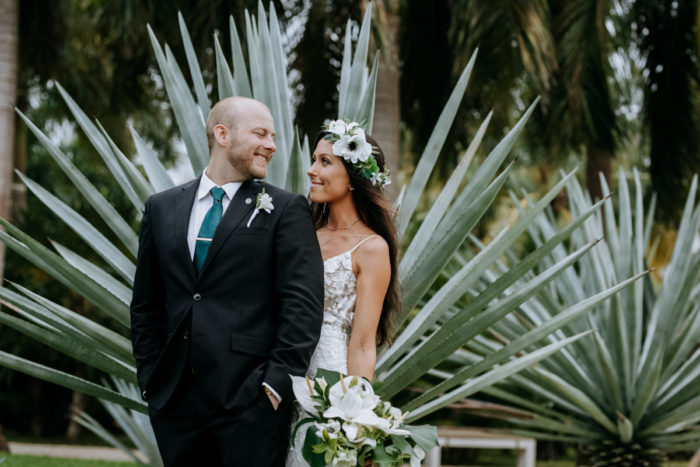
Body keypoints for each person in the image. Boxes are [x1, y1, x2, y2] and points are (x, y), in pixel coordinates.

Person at [130, 96, 324, 466]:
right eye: (260, 133)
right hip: (175, 405)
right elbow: (146, 303)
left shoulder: (285, 209)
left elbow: (302, 304)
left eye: (273, 135)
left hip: (250, 404)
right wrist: (151, 378)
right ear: (223, 134)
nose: (272, 145)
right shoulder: (161, 206)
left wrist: (275, 385)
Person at [286, 120, 400, 466]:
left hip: (329, 384)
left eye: (324, 161)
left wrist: (355, 424)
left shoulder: (371, 248)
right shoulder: (301, 233)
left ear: (353, 176)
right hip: (280, 372)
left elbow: (364, 344)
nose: (311, 170)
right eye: (313, 160)